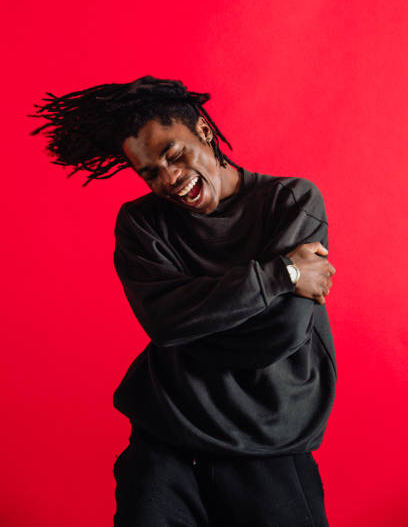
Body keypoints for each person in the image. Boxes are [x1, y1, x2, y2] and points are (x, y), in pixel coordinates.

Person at [30, 75, 337, 526]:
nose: (169, 179)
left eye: (174, 155)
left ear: (205, 133)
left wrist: (195, 318)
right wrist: (282, 274)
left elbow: (279, 335)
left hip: (267, 441)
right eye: (150, 172)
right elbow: (166, 323)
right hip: (166, 441)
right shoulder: (142, 224)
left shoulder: (290, 201)